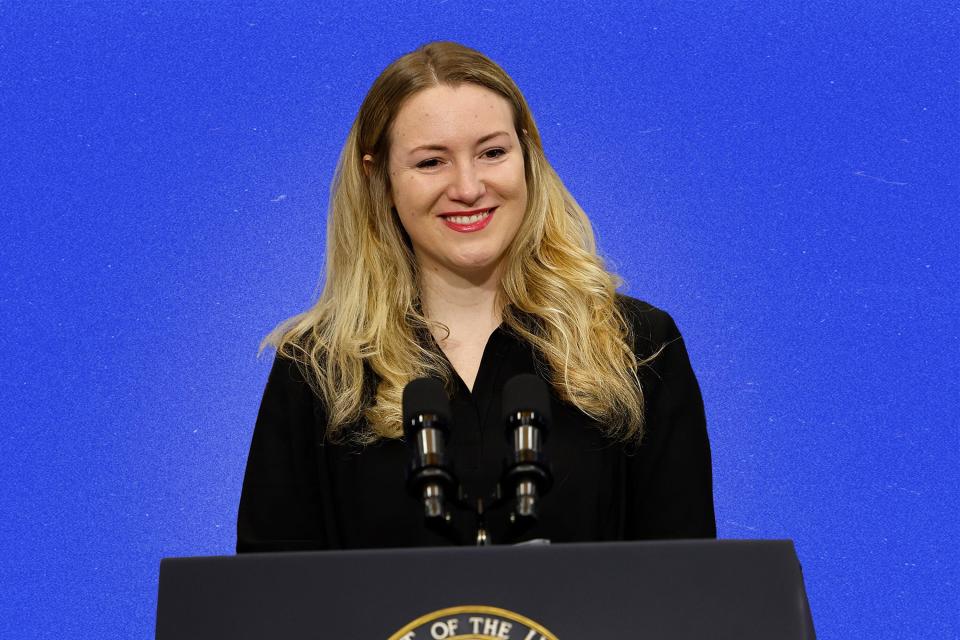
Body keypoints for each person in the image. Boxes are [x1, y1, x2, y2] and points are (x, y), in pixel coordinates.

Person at [237, 41, 715, 552]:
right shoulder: (320, 369)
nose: (468, 187)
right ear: (378, 178)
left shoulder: (637, 346)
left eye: (492, 153)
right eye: (431, 162)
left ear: (527, 157)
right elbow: (271, 601)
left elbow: (686, 590)